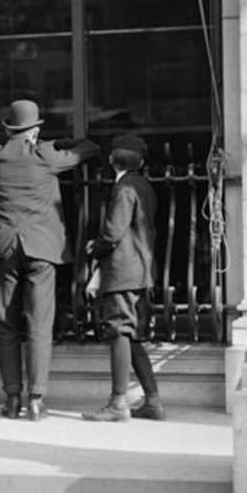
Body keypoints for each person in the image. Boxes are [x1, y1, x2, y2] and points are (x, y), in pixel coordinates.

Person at [0, 100, 99, 421]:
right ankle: (36, 399)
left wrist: (0, 136)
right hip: (42, 248)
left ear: (9, 128)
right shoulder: (46, 155)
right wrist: (52, 142)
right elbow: (89, 147)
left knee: (4, 324)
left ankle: (11, 398)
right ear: (35, 129)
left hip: (2, 247)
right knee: (39, 323)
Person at [82, 134, 166, 422]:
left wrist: (95, 246)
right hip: (141, 269)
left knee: (118, 331)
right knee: (131, 336)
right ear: (141, 161)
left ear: (110, 160)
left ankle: (118, 403)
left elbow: (113, 232)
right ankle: (152, 401)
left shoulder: (123, 188)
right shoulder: (144, 186)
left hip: (122, 272)